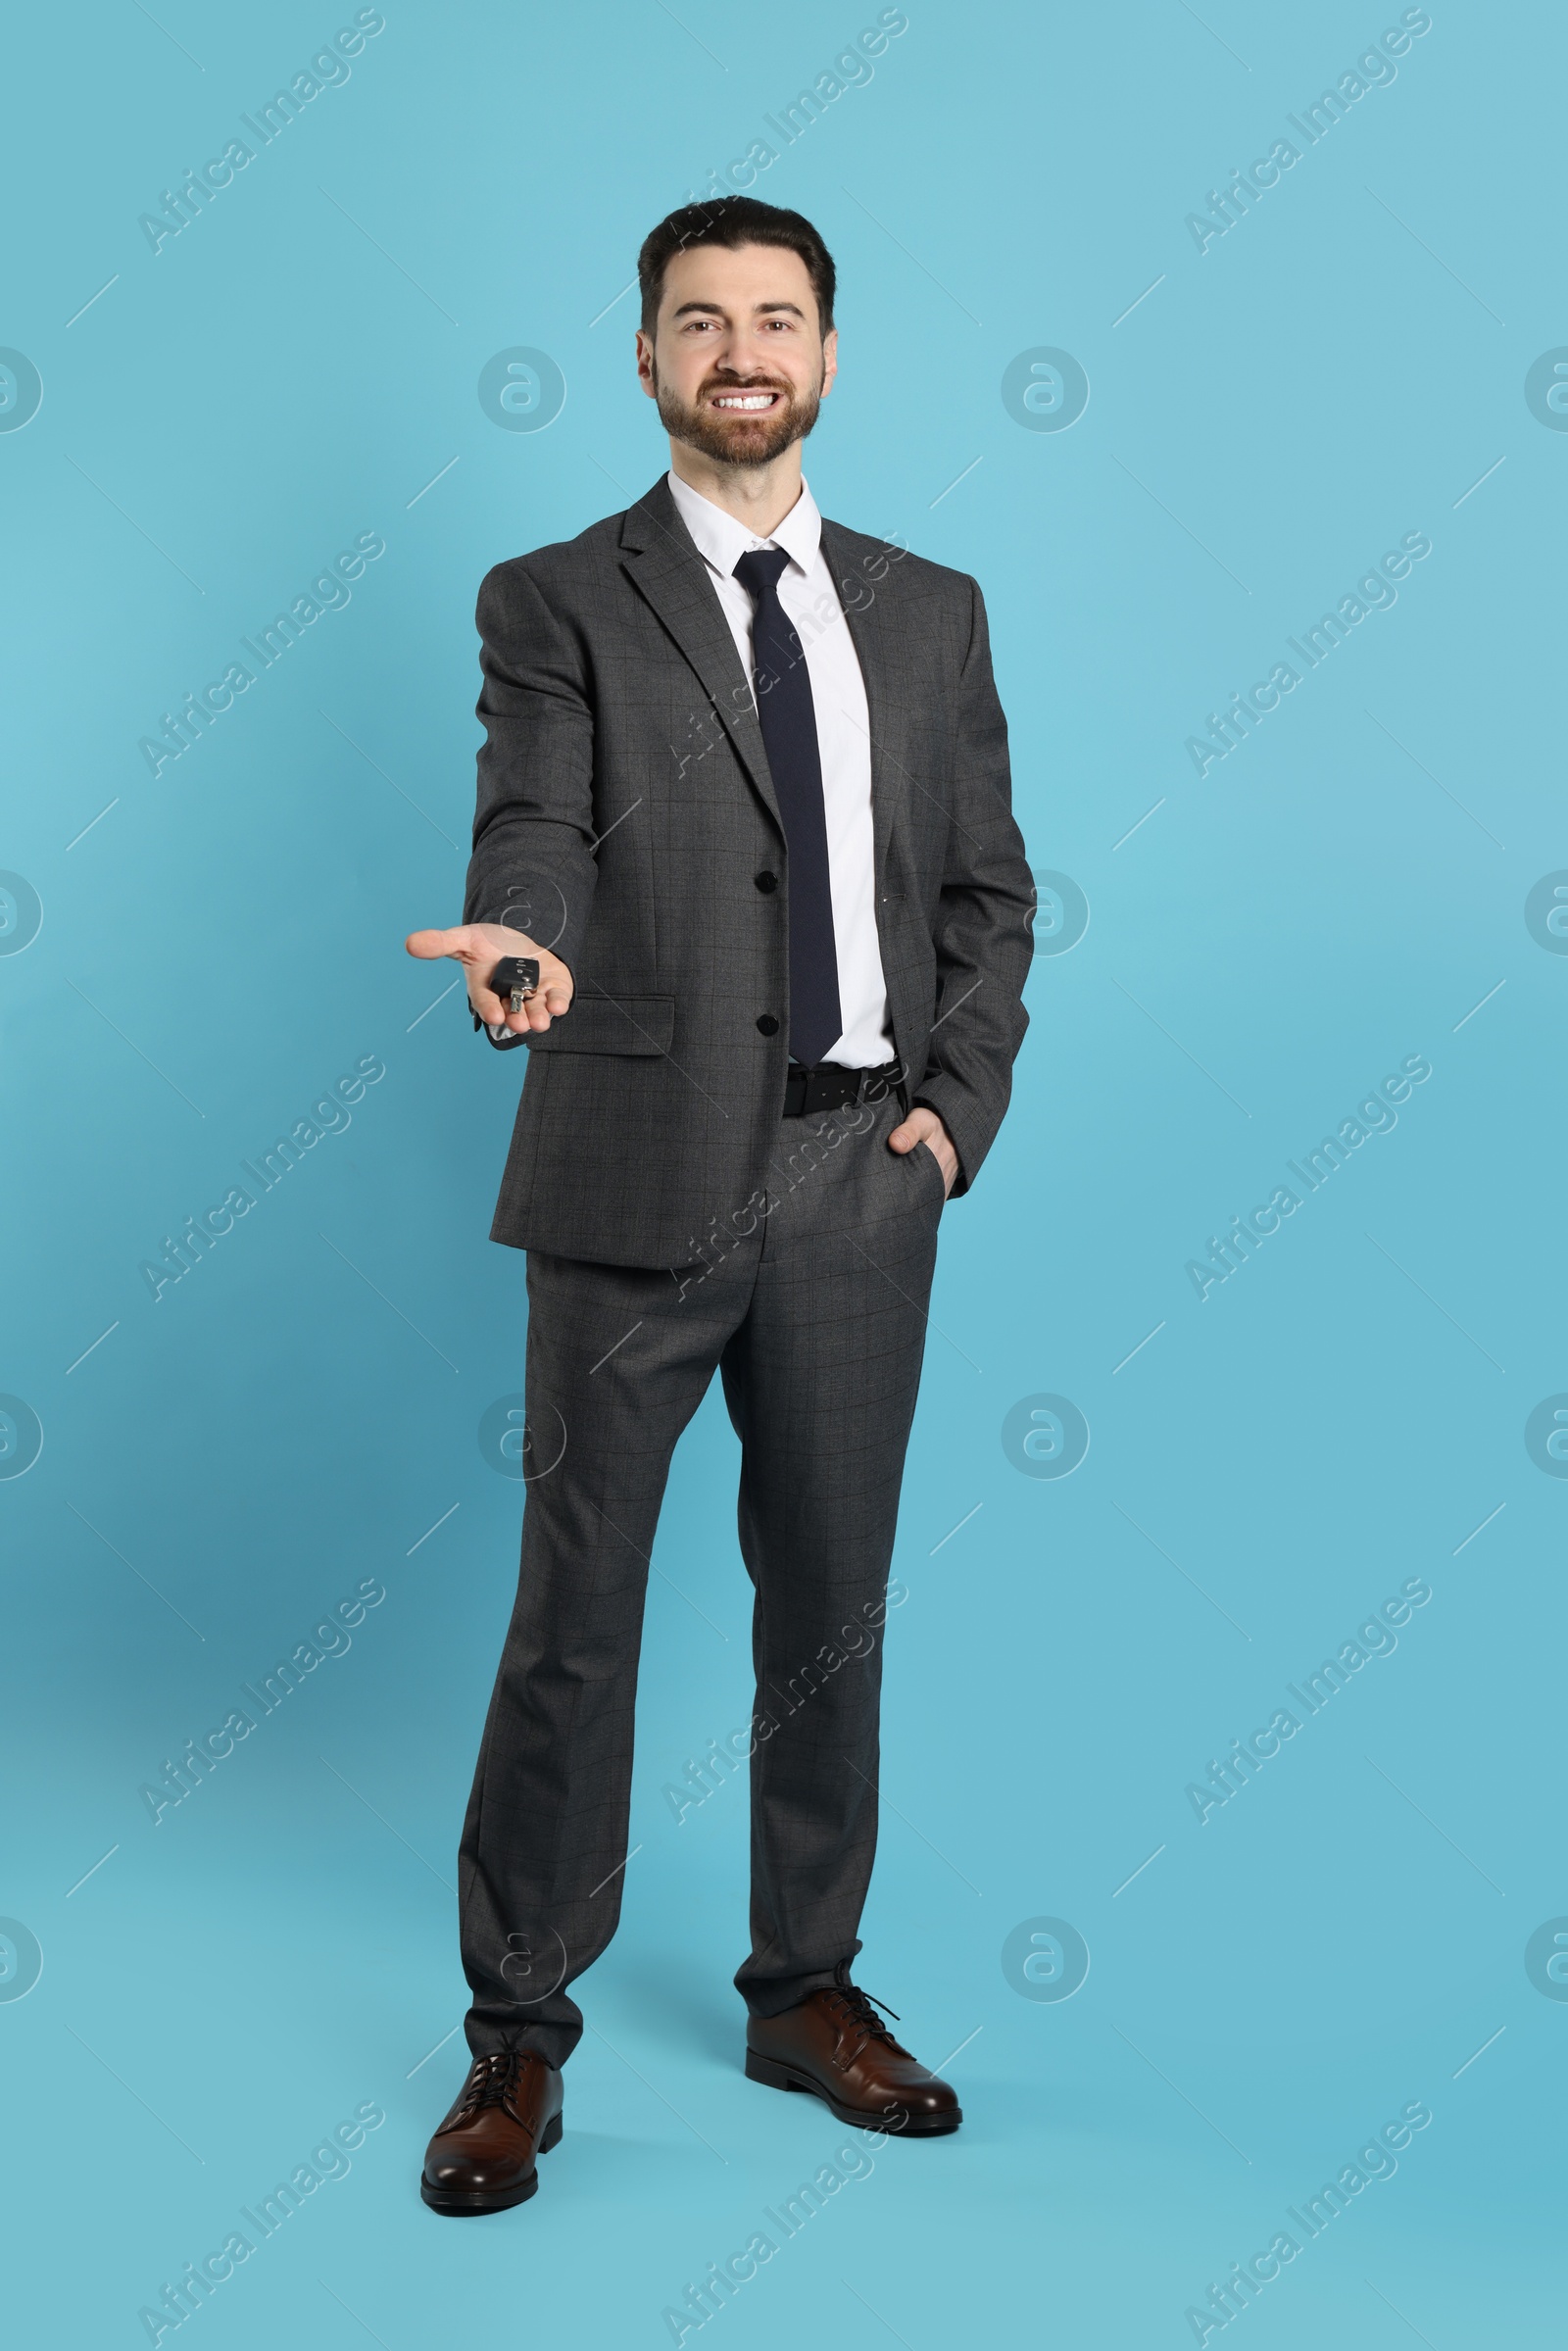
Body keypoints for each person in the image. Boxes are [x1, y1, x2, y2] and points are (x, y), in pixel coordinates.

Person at [406, 194, 1032, 2215]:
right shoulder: (555, 596)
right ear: (650, 361)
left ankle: (804, 1992)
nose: (740, 350)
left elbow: (982, 896)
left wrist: (952, 1109)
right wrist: (523, 937)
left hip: (863, 1179)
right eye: (699, 321)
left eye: (777, 320)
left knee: (824, 1618)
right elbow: (533, 809)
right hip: (628, 1167)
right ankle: (515, 2041)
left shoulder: (929, 609)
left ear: (828, 359)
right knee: (571, 1621)